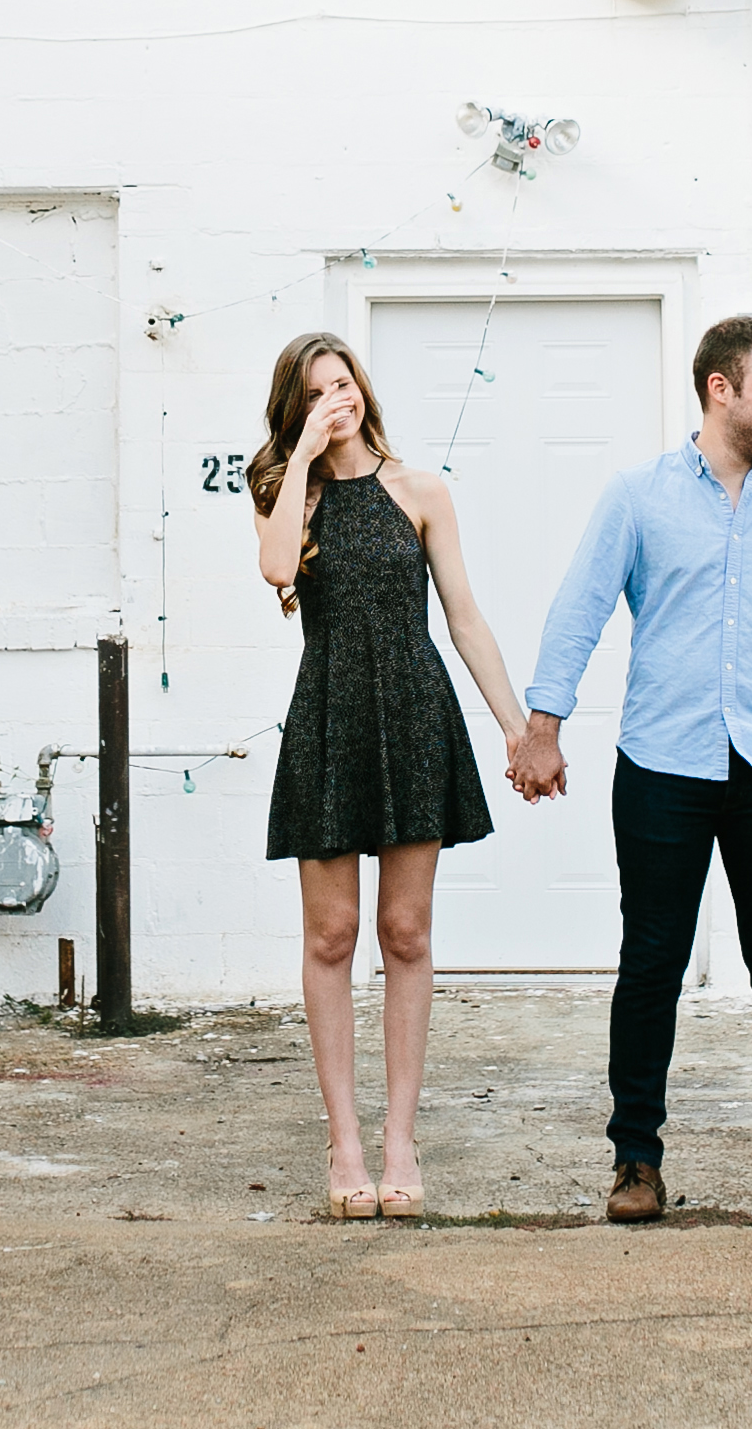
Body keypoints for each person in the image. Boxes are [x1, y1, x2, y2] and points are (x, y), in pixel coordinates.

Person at [510, 313, 752, 1225]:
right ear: (721, 389)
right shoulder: (637, 497)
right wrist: (540, 729)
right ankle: (635, 1160)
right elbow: (578, 610)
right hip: (661, 763)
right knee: (652, 962)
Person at [252, 330, 533, 1220]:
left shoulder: (420, 490)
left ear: (363, 392)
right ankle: (343, 1144)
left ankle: (400, 1139)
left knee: (404, 933)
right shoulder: (284, 494)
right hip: (328, 718)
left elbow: (464, 619)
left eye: (342, 384)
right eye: (314, 394)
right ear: (295, 412)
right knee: (330, 937)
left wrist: (520, 730)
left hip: (413, 713)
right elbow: (271, 569)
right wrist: (299, 455)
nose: (334, 400)